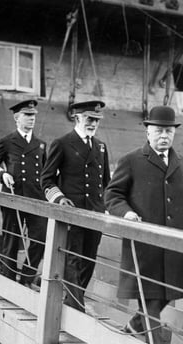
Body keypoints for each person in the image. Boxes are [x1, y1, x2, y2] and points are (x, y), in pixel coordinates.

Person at [104, 105, 183, 344]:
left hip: (175, 245)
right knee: (149, 300)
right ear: (148, 132)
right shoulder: (132, 160)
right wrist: (126, 213)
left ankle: (135, 328)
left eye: (169, 131)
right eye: (158, 131)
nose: (164, 136)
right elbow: (112, 195)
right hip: (145, 245)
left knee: (167, 295)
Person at [40, 100, 111, 312]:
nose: (93, 124)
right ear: (77, 117)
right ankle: (76, 305)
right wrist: (60, 200)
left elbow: (106, 182)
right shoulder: (62, 143)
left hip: (95, 213)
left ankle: (74, 301)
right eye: (90, 119)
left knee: (89, 259)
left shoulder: (100, 146)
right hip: (72, 213)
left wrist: (106, 206)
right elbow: (47, 179)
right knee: (72, 258)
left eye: (97, 120)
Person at [0, 100, 47, 287]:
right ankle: (9, 281)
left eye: (33, 115)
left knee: (41, 238)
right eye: (27, 115)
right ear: (16, 118)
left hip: (36, 199)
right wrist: (2, 174)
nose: (31, 119)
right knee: (11, 241)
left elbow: (46, 173)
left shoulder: (41, 144)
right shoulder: (6, 142)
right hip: (13, 198)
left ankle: (27, 277)